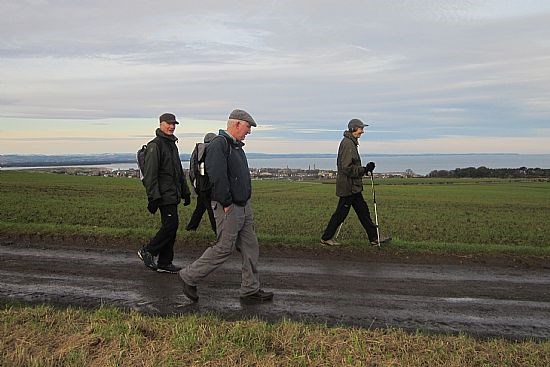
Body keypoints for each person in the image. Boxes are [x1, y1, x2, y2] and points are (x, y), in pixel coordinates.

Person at [179, 109, 273, 303]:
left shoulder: (236, 146)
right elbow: (217, 176)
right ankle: (189, 276)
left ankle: (250, 289)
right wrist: (227, 202)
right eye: (248, 127)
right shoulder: (219, 145)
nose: (249, 132)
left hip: (243, 206)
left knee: (250, 247)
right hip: (229, 207)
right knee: (223, 248)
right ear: (237, 124)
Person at [138, 112, 191, 273]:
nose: (172, 126)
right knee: (170, 225)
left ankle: (165, 262)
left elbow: (178, 172)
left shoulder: (171, 144)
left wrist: (185, 192)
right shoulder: (155, 145)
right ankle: (148, 251)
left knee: (172, 227)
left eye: (174, 124)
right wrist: (153, 197)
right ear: (161, 124)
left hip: (172, 193)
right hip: (162, 195)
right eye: (168, 123)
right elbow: (150, 174)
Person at [321, 118, 388, 246]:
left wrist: (366, 170)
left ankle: (374, 238)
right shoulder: (348, 144)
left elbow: (350, 166)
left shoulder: (351, 142)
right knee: (341, 214)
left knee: (363, 212)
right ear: (353, 129)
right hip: (348, 187)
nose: (362, 132)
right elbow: (346, 167)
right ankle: (326, 238)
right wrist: (364, 170)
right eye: (360, 129)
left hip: (353, 186)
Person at [185, 133, 217, 234]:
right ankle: (217, 231)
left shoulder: (198, 150)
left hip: (200, 185)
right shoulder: (212, 150)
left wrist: (195, 185)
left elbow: (192, 170)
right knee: (211, 209)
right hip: (208, 186)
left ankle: (191, 228)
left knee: (200, 207)